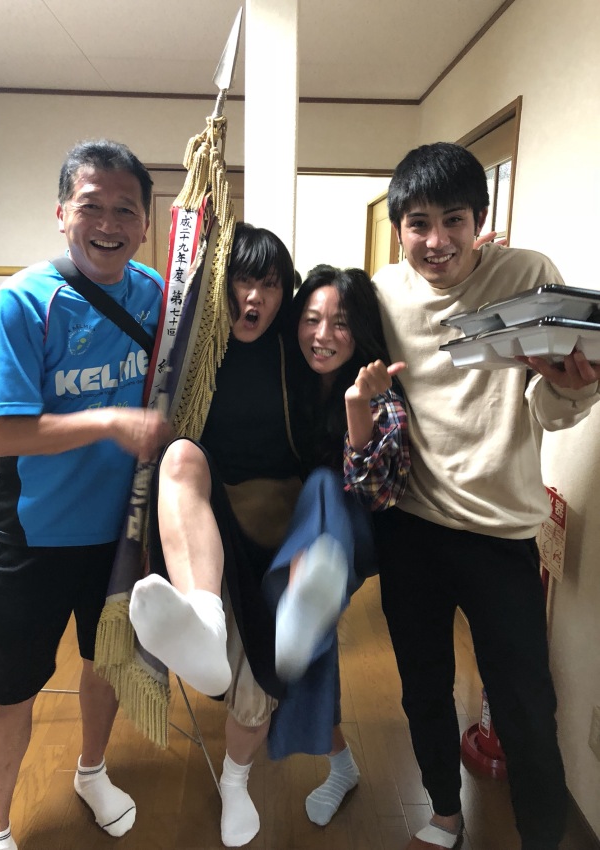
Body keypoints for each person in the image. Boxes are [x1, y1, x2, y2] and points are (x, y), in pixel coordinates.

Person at [372, 141, 600, 850]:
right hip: (410, 528)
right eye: (418, 223)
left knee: (527, 705)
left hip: (502, 534)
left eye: (453, 221)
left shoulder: (526, 276)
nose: (436, 241)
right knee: (422, 688)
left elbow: (551, 408)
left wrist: (575, 388)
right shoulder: (381, 293)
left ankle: (540, 838)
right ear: (398, 227)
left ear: (480, 220)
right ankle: (445, 813)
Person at [0, 139, 172, 850]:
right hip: (33, 534)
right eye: (91, 206)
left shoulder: (154, 293)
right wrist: (110, 422)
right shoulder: (23, 302)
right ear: (62, 213)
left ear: (145, 222)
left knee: (105, 662)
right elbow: (3, 434)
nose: (108, 224)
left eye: (125, 209)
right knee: (11, 689)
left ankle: (92, 771)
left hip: (120, 531)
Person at [129, 221, 302, 848]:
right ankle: (203, 616)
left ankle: (235, 781)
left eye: (270, 285)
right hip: (209, 516)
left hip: (280, 528)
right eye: (242, 281)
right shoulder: (194, 353)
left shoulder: (296, 352)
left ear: (285, 293)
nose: (253, 298)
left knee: (257, 680)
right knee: (180, 455)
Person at [263, 264, 410, 827]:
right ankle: (341, 764)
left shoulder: (382, 395)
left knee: (326, 485)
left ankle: (303, 588)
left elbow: (376, 494)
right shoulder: (288, 381)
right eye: (311, 319)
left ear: (361, 331)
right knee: (306, 635)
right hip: (298, 542)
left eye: (340, 323)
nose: (322, 335)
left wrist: (355, 407)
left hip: (358, 537)